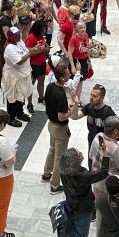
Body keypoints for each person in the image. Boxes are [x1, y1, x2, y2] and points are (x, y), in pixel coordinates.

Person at [59, 146, 109, 237]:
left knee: (69, 235)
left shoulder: (63, 172)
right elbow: (104, 173)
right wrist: (105, 155)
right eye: (78, 153)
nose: (81, 152)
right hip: (83, 210)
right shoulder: (84, 176)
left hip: (69, 207)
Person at [43, 64, 78, 194]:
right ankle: (55, 185)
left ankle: (46, 174)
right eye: (68, 74)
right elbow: (61, 117)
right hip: (60, 127)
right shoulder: (61, 95)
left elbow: (46, 102)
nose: (70, 75)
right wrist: (71, 110)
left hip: (50, 124)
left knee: (52, 150)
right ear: (62, 78)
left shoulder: (51, 87)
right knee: (59, 156)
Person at [2, 28, 38, 125]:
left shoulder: (20, 42)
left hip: (23, 74)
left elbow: (26, 50)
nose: (20, 36)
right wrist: (30, 53)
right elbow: (19, 61)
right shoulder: (9, 48)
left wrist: (35, 48)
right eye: (17, 35)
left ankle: (19, 113)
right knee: (13, 97)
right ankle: (11, 118)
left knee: (21, 95)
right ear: (13, 37)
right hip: (14, 75)